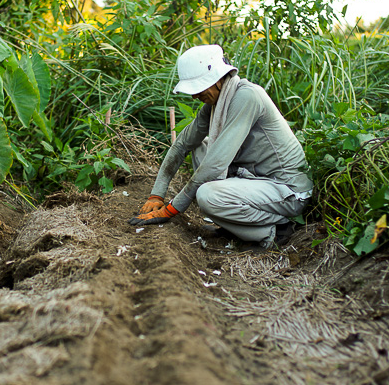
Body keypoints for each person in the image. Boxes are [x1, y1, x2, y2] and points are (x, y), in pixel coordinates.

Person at [129, 44, 313, 249]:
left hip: (286, 190)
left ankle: (275, 231)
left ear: (217, 79)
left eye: (198, 89)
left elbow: (215, 165)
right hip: (255, 181)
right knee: (200, 147)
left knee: (208, 195)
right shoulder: (214, 106)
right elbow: (181, 145)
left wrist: (172, 209)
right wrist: (157, 195)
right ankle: (235, 225)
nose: (194, 97)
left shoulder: (247, 96)